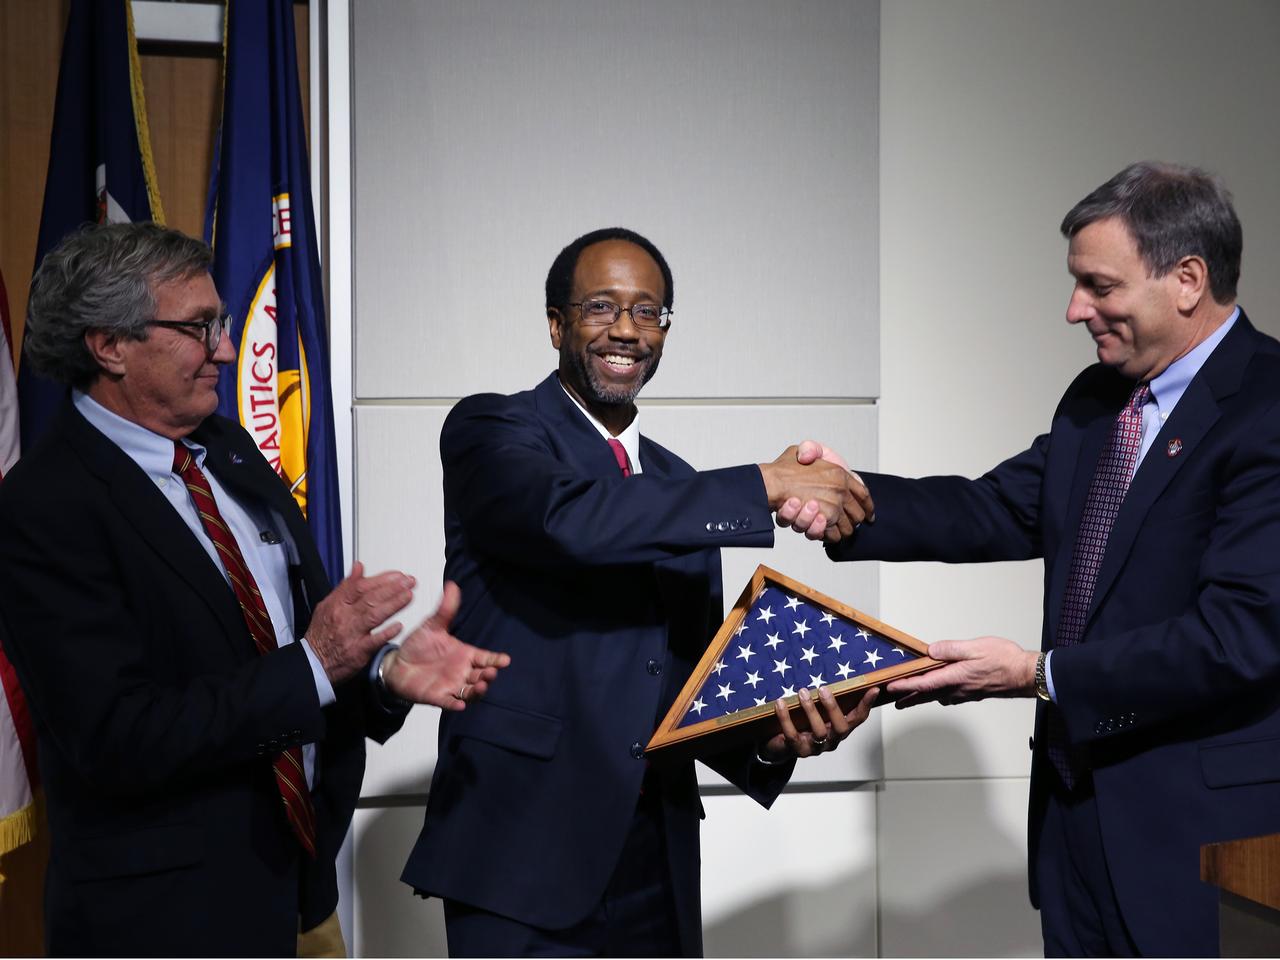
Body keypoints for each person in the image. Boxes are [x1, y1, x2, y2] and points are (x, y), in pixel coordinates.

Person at [800, 162, 1280, 956]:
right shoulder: (1098, 400)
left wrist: (1038, 673)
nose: (1073, 310)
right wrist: (848, 497)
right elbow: (995, 507)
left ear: (1188, 279)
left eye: (1098, 285)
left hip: (1200, 848)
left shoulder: (1265, 410)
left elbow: (1240, 637)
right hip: (1073, 830)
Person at [0, 222, 509, 957]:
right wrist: (318, 661)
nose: (228, 350)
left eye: (225, 322)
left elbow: (291, 650)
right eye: (200, 327)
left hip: (300, 891)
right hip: (166, 923)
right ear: (108, 345)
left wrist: (383, 677)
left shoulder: (229, 450)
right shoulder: (43, 507)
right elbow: (117, 738)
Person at [400, 227, 878, 957]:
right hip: (520, 860)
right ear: (558, 324)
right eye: (601, 306)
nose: (626, 328)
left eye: (648, 312)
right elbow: (569, 523)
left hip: (656, 857)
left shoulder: (680, 484)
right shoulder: (493, 430)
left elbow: (683, 676)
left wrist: (774, 743)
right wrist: (764, 483)